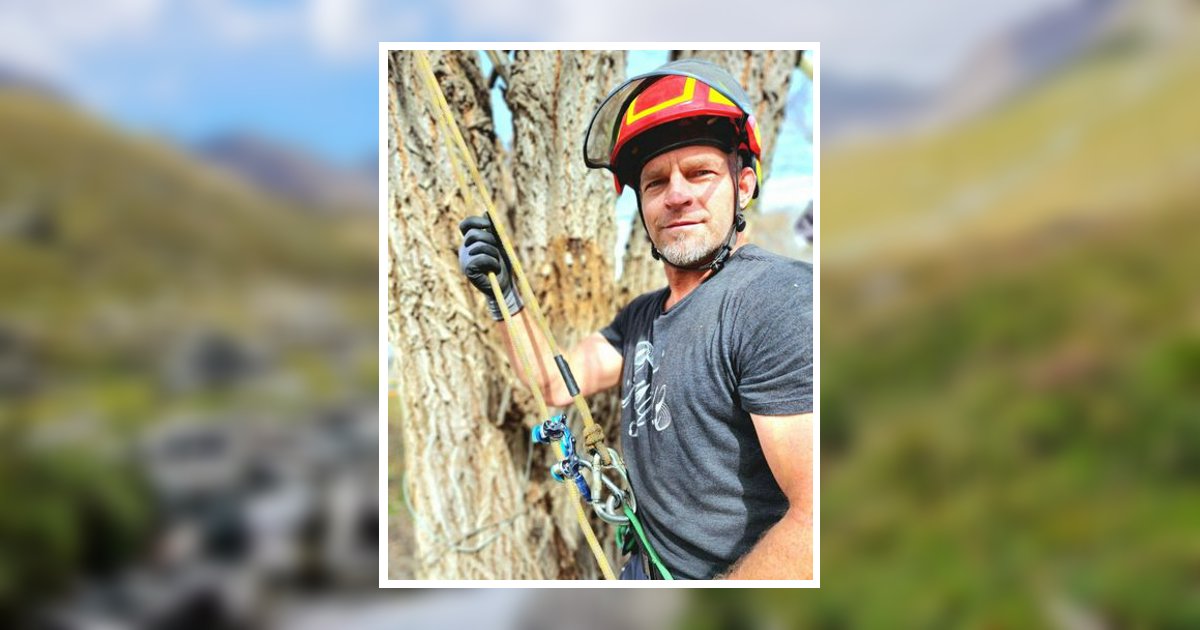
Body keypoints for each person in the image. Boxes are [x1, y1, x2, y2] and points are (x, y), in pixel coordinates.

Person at [458, 59, 813, 580]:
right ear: (642, 206)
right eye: (655, 182)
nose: (677, 194)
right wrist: (505, 297)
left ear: (744, 184)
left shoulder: (777, 300)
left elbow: (816, 522)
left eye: (700, 173)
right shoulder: (643, 317)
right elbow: (552, 382)